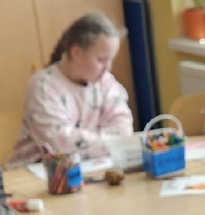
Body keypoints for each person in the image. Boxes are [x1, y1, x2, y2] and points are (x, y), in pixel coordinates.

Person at [8, 11, 134, 168]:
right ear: (76, 52)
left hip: (89, 167)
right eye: (101, 60)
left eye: (111, 59)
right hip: (37, 172)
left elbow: (123, 129)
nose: (108, 68)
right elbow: (60, 143)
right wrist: (108, 141)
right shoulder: (43, 86)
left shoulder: (105, 82)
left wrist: (91, 141)